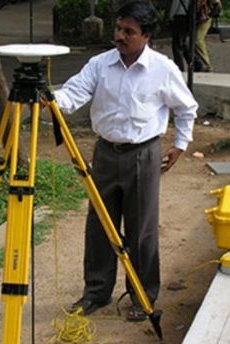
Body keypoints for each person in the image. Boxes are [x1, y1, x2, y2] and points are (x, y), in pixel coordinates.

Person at [54, 1, 198, 321]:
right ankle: (96, 292)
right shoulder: (100, 64)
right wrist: (52, 100)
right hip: (105, 154)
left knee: (141, 229)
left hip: (144, 156)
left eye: (128, 31)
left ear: (145, 35)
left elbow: (186, 108)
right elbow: (74, 93)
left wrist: (180, 145)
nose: (120, 36)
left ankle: (142, 296)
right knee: (100, 226)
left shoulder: (162, 69)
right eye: (118, 28)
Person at [194, 0, 222, 72]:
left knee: (198, 40)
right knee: (192, 41)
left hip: (204, 19)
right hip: (196, 18)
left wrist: (208, 16)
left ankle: (207, 64)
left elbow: (218, 5)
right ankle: (198, 64)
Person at [168, 0, 192, 72]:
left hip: (179, 17)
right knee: (183, 42)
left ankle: (179, 66)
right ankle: (193, 62)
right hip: (188, 17)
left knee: (177, 44)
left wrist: (170, 17)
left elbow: (175, 5)